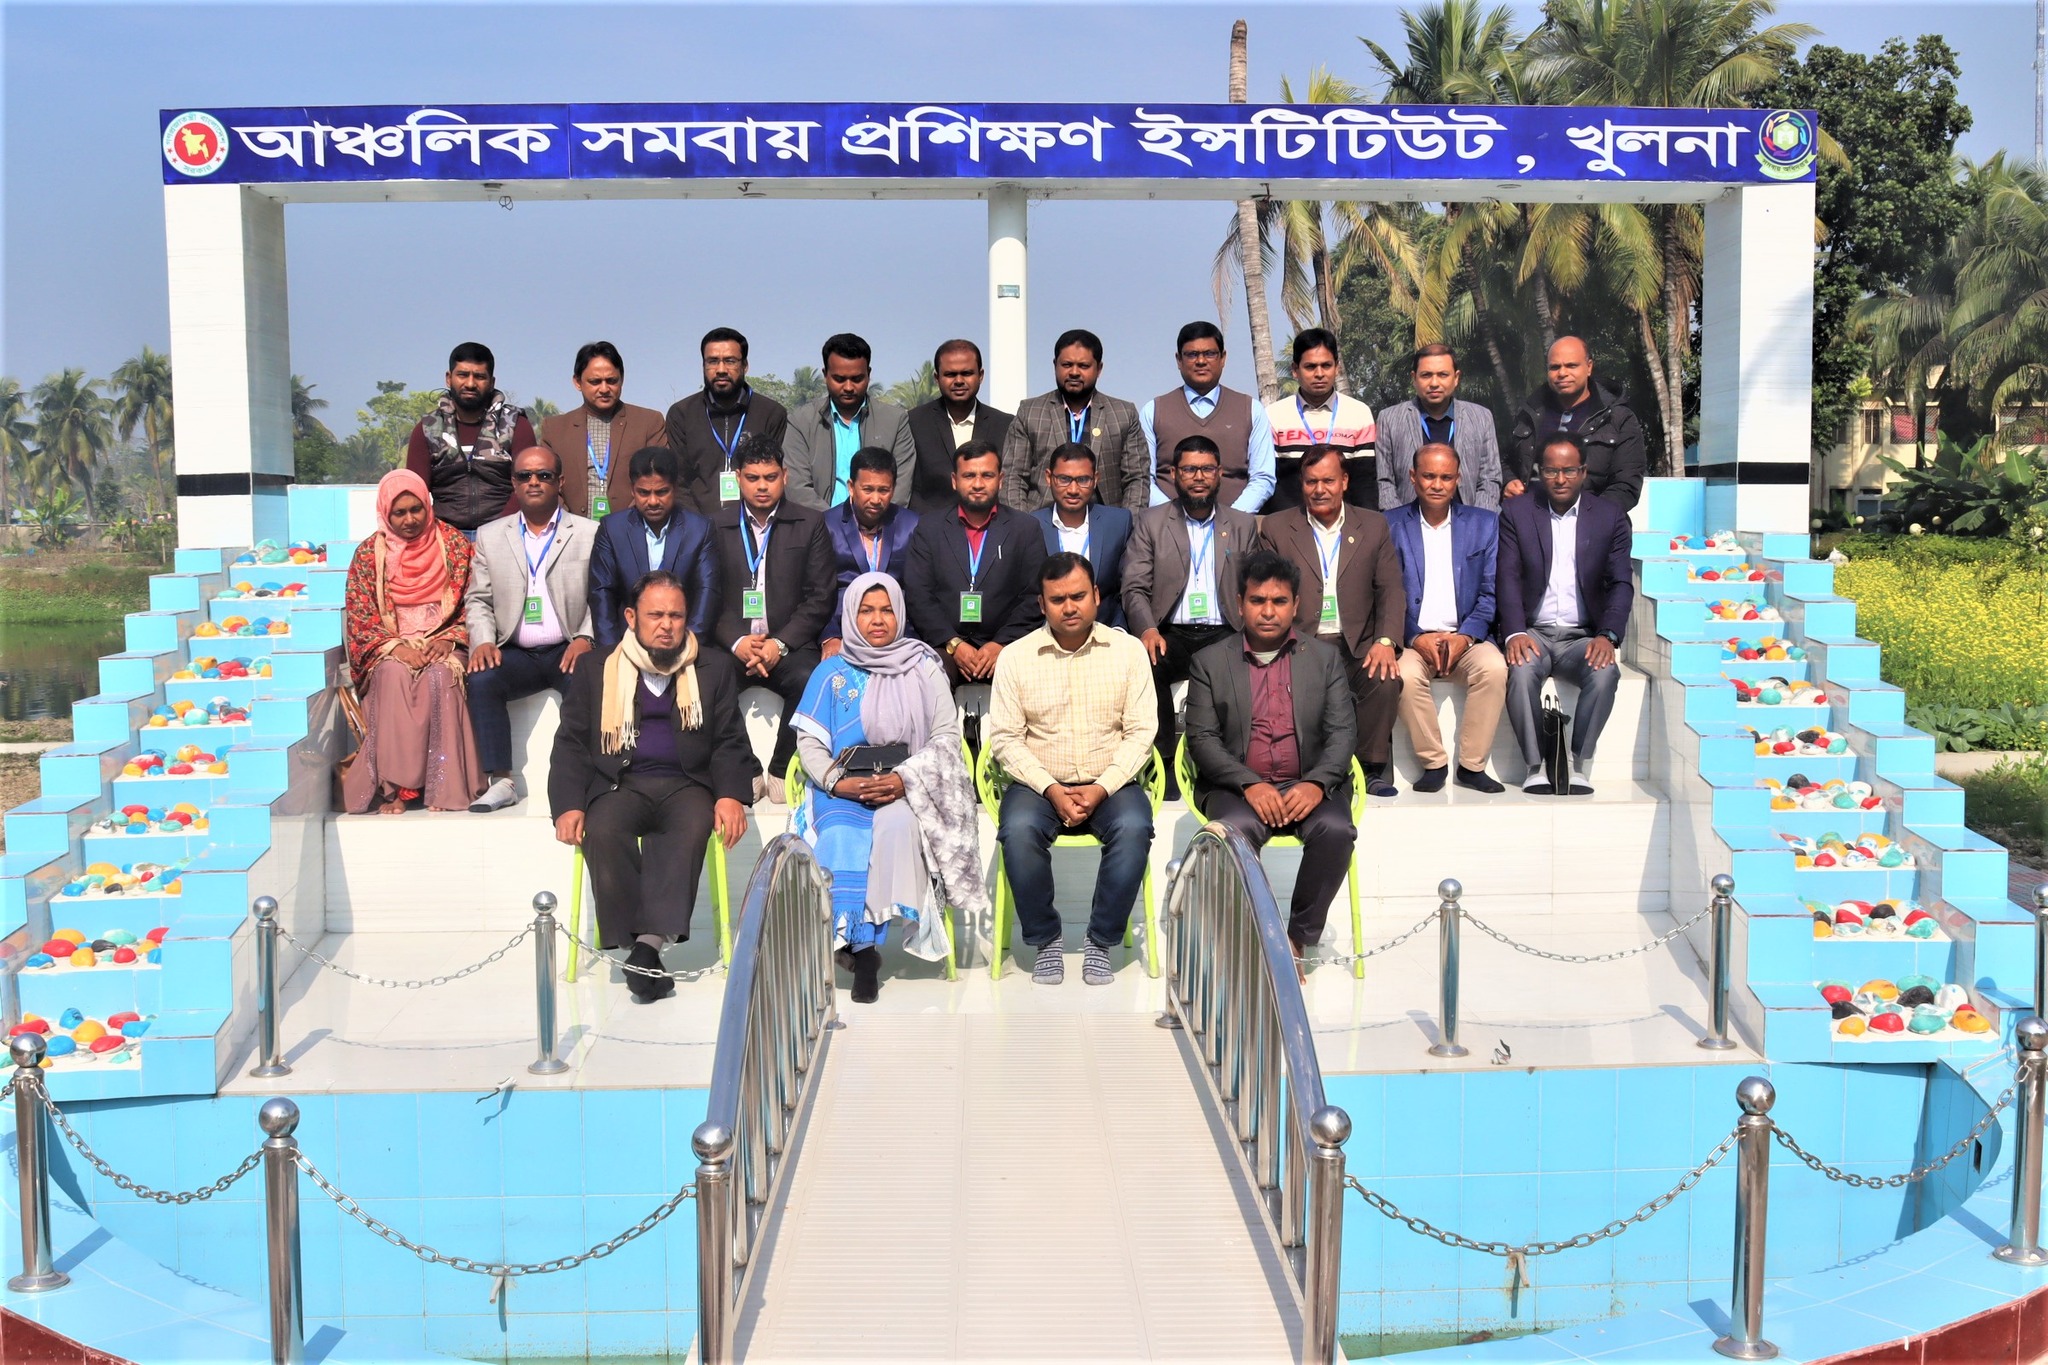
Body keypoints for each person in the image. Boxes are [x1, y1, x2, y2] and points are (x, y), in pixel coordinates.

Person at [547, 571, 754, 1003]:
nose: (666, 625)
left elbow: (730, 741)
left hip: (687, 783)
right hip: (619, 782)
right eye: (655, 615)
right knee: (603, 830)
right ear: (631, 617)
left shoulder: (713, 667)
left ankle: (646, 949)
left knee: (690, 827)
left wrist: (731, 795)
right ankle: (642, 952)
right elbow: (570, 742)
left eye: (675, 616)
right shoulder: (596, 667)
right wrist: (567, 804)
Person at [791, 573, 986, 1003]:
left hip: (905, 787)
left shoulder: (925, 667)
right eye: (866, 610)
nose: (877, 620)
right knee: (841, 835)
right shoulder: (830, 672)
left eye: (886, 610)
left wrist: (903, 780)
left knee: (897, 829)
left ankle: (863, 946)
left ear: (900, 614)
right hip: (841, 791)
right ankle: (863, 953)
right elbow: (810, 744)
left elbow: (946, 738)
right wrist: (839, 782)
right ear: (851, 615)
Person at [987, 553, 1158, 986]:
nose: (1069, 607)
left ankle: (1100, 940)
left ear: (1096, 595)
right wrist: (1051, 789)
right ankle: (1046, 939)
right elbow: (1005, 738)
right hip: (1039, 785)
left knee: (1134, 827)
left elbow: (1142, 732)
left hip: (1111, 782)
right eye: (1058, 599)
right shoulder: (1016, 657)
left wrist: (1102, 788)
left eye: (1078, 596)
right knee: (1019, 831)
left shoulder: (1128, 652)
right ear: (1041, 605)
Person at [1184, 552, 1359, 965]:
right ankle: (1252, 939)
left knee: (1336, 830)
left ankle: (1296, 941)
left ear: (1295, 605)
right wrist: (1250, 784)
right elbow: (1202, 739)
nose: (1268, 611)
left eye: (1279, 601)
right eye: (1257, 600)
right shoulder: (1210, 661)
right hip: (1237, 787)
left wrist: (1316, 783)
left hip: (1308, 782)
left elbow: (1343, 733)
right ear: (1240, 603)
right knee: (1235, 832)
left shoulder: (1324, 659)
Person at [1256, 445, 1404, 799]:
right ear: (1301, 484)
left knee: (1384, 679)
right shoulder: (1276, 527)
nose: (1319, 489)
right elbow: (1268, 592)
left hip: (1357, 644)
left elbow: (1390, 588)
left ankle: (1370, 769)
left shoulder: (1373, 525)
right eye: (1311, 482)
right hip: (1300, 643)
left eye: (1328, 481)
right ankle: (1308, 769)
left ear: (1345, 481)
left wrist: (1385, 641)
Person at [463, 446, 598, 813]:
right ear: (514, 483)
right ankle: (501, 781)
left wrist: (586, 637)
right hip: (515, 650)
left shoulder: (588, 532)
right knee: (482, 679)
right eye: (525, 476)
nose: (534, 482)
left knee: (590, 680)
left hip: (568, 648)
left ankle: (582, 780)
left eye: (544, 475)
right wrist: (483, 641)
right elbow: (478, 599)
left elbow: (603, 595)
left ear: (560, 481)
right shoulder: (491, 535)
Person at [340, 469, 485, 814]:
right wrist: (397, 648)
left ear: (428, 505)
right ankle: (394, 789)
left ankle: (444, 788)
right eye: (399, 513)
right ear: (385, 513)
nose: (409, 520)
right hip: (390, 646)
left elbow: (475, 603)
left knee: (442, 677)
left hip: (444, 642)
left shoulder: (453, 544)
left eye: (416, 509)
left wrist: (450, 641)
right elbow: (361, 617)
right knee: (392, 676)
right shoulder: (368, 554)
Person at [1498, 436, 1635, 794]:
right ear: (1539, 472)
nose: (1560, 479)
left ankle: (1577, 763)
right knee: (1521, 671)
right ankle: (1534, 766)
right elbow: (1507, 576)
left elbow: (1621, 582)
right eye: (1551, 471)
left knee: (1605, 673)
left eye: (1569, 470)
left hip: (1583, 636)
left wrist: (1608, 635)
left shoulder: (1609, 516)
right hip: (1533, 632)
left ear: (1583, 472)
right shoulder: (1517, 512)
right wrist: (1514, 632)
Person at [1122, 436, 1260, 785]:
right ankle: (1163, 764)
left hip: (1226, 632)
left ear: (1220, 473)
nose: (1198, 477)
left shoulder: (1242, 525)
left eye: (1206, 469)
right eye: (1189, 470)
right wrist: (1147, 629)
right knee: (1145, 662)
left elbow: (1256, 589)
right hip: (1170, 633)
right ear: (1174, 474)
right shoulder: (1151, 522)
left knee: (1250, 664)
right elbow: (1134, 586)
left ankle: (1233, 766)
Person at [711, 435, 837, 793]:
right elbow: (709, 597)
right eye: (753, 478)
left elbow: (820, 596)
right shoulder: (715, 525)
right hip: (734, 645)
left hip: (789, 646)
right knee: (708, 677)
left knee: (813, 678)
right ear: (738, 478)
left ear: (785, 475)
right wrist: (737, 642)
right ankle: (747, 767)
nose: (762, 486)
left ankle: (782, 769)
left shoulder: (810, 523)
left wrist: (778, 644)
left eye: (770, 477)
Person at [1386, 444, 1508, 794]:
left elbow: (1489, 593)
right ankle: (1434, 763)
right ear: (1413, 477)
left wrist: (1466, 636)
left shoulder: (1484, 524)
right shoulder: (1390, 524)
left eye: (1445, 477)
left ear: (1458, 479)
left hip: (1467, 637)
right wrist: (1414, 636)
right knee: (1404, 675)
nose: (1437, 485)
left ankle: (1472, 766)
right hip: (1413, 639)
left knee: (1494, 668)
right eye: (1428, 476)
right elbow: (1386, 593)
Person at [902, 439, 1048, 691]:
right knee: (927, 676)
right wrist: (953, 643)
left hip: (1007, 646)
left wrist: (1001, 644)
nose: (978, 484)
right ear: (954, 480)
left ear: (1000, 480)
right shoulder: (929, 527)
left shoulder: (1025, 529)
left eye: (987, 475)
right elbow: (919, 595)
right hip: (945, 646)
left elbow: (1034, 596)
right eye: (969, 475)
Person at [998, 329, 1151, 513]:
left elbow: (1137, 478)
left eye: (1083, 366)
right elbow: (1013, 477)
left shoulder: (1123, 414)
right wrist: (1023, 525)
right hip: (1042, 523)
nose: (1074, 372)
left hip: (1106, 523)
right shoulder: (1030, 412)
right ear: (1055, 365)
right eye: (1067, 365)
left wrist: (1127, 524)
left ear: (1099, 369)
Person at [588, 446, 720, 646]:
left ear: (675, 488)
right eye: (643, 493)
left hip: (683, 642)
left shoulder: (699, 529)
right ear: (632, 489)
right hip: (626, 643)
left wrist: (688, 647)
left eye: (661, 492)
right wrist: (612, 652)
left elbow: (707, 591)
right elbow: (601, 593)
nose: (652, 501)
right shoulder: (612, 529)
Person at [404, 342, 538, 536]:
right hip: (443, 536)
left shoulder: (515, 425)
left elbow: (527, 484)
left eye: (479, 377)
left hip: (506, 532)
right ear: (449, 378)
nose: (470, 384)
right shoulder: (428, 428)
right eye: (462, 375)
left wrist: (495, 534)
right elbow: (415, 492)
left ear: (491, 382)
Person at [1142, 321, 1276, 513]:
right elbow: (1144, 479)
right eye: (1192, 354)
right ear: (1179, 360)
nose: (1201, 361)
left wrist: (1232, 520)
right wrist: (1172, 519)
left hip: (1237, 525)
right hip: (1167, 526)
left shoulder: (1251, 409)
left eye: (1210, 353)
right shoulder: (1154, 411)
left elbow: (1263, 478)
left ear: (1223, 358)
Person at [1505, 335, 1646, 511]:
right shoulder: (1529, 414)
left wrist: (1587, 518)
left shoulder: (1618, 418)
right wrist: (1508, 481)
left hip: (1595, 524)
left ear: (1589, 367)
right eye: (1555, 367)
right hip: (1530, 521)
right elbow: (1503, 462)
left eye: (1571, 365)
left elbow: (1626, 486)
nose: (1562, 373)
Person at [664, 327, 792, 519]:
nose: (721, 370)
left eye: (730, 361)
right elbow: (679, 481)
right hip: (699, 525)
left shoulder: (771, 413)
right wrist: (700, 525)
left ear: (745, 365)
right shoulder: (681, 414)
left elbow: (773, 478)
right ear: (703, 365)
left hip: (755, 524)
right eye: (713, 361)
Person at [783, 333, 915, 509]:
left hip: (880, 523)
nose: (848, 387)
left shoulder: (895, 421)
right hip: (819, 523)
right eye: (839, 379)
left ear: (869, 374)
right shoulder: (800, 422)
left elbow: (901, 487)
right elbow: (797, 488)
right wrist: (832, 522)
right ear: (825, 374)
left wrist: (871, 522)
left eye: (857, 379)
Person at [538, 341, 668, 520]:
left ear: (622, 379)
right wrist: (568, 523)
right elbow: (546, 481)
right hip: (571, 529)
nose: (604, 389)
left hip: (633, 526)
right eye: (595, 382)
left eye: (612, 381)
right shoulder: (555, 429)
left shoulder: (648, 422)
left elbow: (659, 476)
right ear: (577, 382)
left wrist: (625, 523)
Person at [1375, 343, 1503, 512]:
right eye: (1426, 375)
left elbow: (1490, 479)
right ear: (1414, 378)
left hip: (1469, 519)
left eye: (1443, 375)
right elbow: (1384, 482)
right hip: (1408, 521)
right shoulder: (1389, 419)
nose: (1434, 383)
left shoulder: (1481, 417)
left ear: (1456, 378)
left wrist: (1477, 521)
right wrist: (1400, 522)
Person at [820, 448, 921, 654]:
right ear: (851, 487)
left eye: (883, 490)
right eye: (868, 489)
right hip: (842, 633)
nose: (875, 499)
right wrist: (830, 636)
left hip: (899, 635)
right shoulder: (826, 525)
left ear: (893, 489)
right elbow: (819, 591)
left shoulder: (912, 525)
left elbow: (919, 591)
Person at [1265, 328, 1377, 512]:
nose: (1319, 373)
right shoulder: (1274, 415)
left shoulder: (1359, 414)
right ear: (1295, 370)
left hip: (1345, 523)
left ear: (1337, 367)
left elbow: (1365, 482)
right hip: (1290, 523)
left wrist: (1364, 524)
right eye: (1310, 367)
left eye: (1326, 365)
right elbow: (1271, 482)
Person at [905, 340, 1013, 516]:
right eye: (950, 374)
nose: (959, 381)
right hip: (927, 526)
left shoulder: (1005, 425)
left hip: (990, 526)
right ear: (937, 378)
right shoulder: (913, 422)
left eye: (967, 373)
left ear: (981, 375)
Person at [1030, 444, 1132, 630]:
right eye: (1064, 479)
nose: (1073, 489)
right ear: (1048, 478)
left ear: (1095, 479)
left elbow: (1125, 589)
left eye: (1083, 480)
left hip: (1105, 631)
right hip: (1047, 633)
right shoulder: (1031, 525)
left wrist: (1119, 631)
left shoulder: (1118, 523)